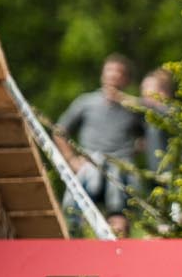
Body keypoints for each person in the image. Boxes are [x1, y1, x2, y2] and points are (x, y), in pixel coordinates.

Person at [55, 53, 147, 238]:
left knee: (119, 215)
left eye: (118, 72)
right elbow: (59, 131)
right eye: (109, 71)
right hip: (89, 167)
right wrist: (72, 159)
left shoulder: (134, 108)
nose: (113, 75)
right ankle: (76, 250)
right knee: (73, 211)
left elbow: (152, 132)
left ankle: (119, 255)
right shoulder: (86, 102)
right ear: (102, 75)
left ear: (126, 79)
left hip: (120, 170)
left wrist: (134, 151)